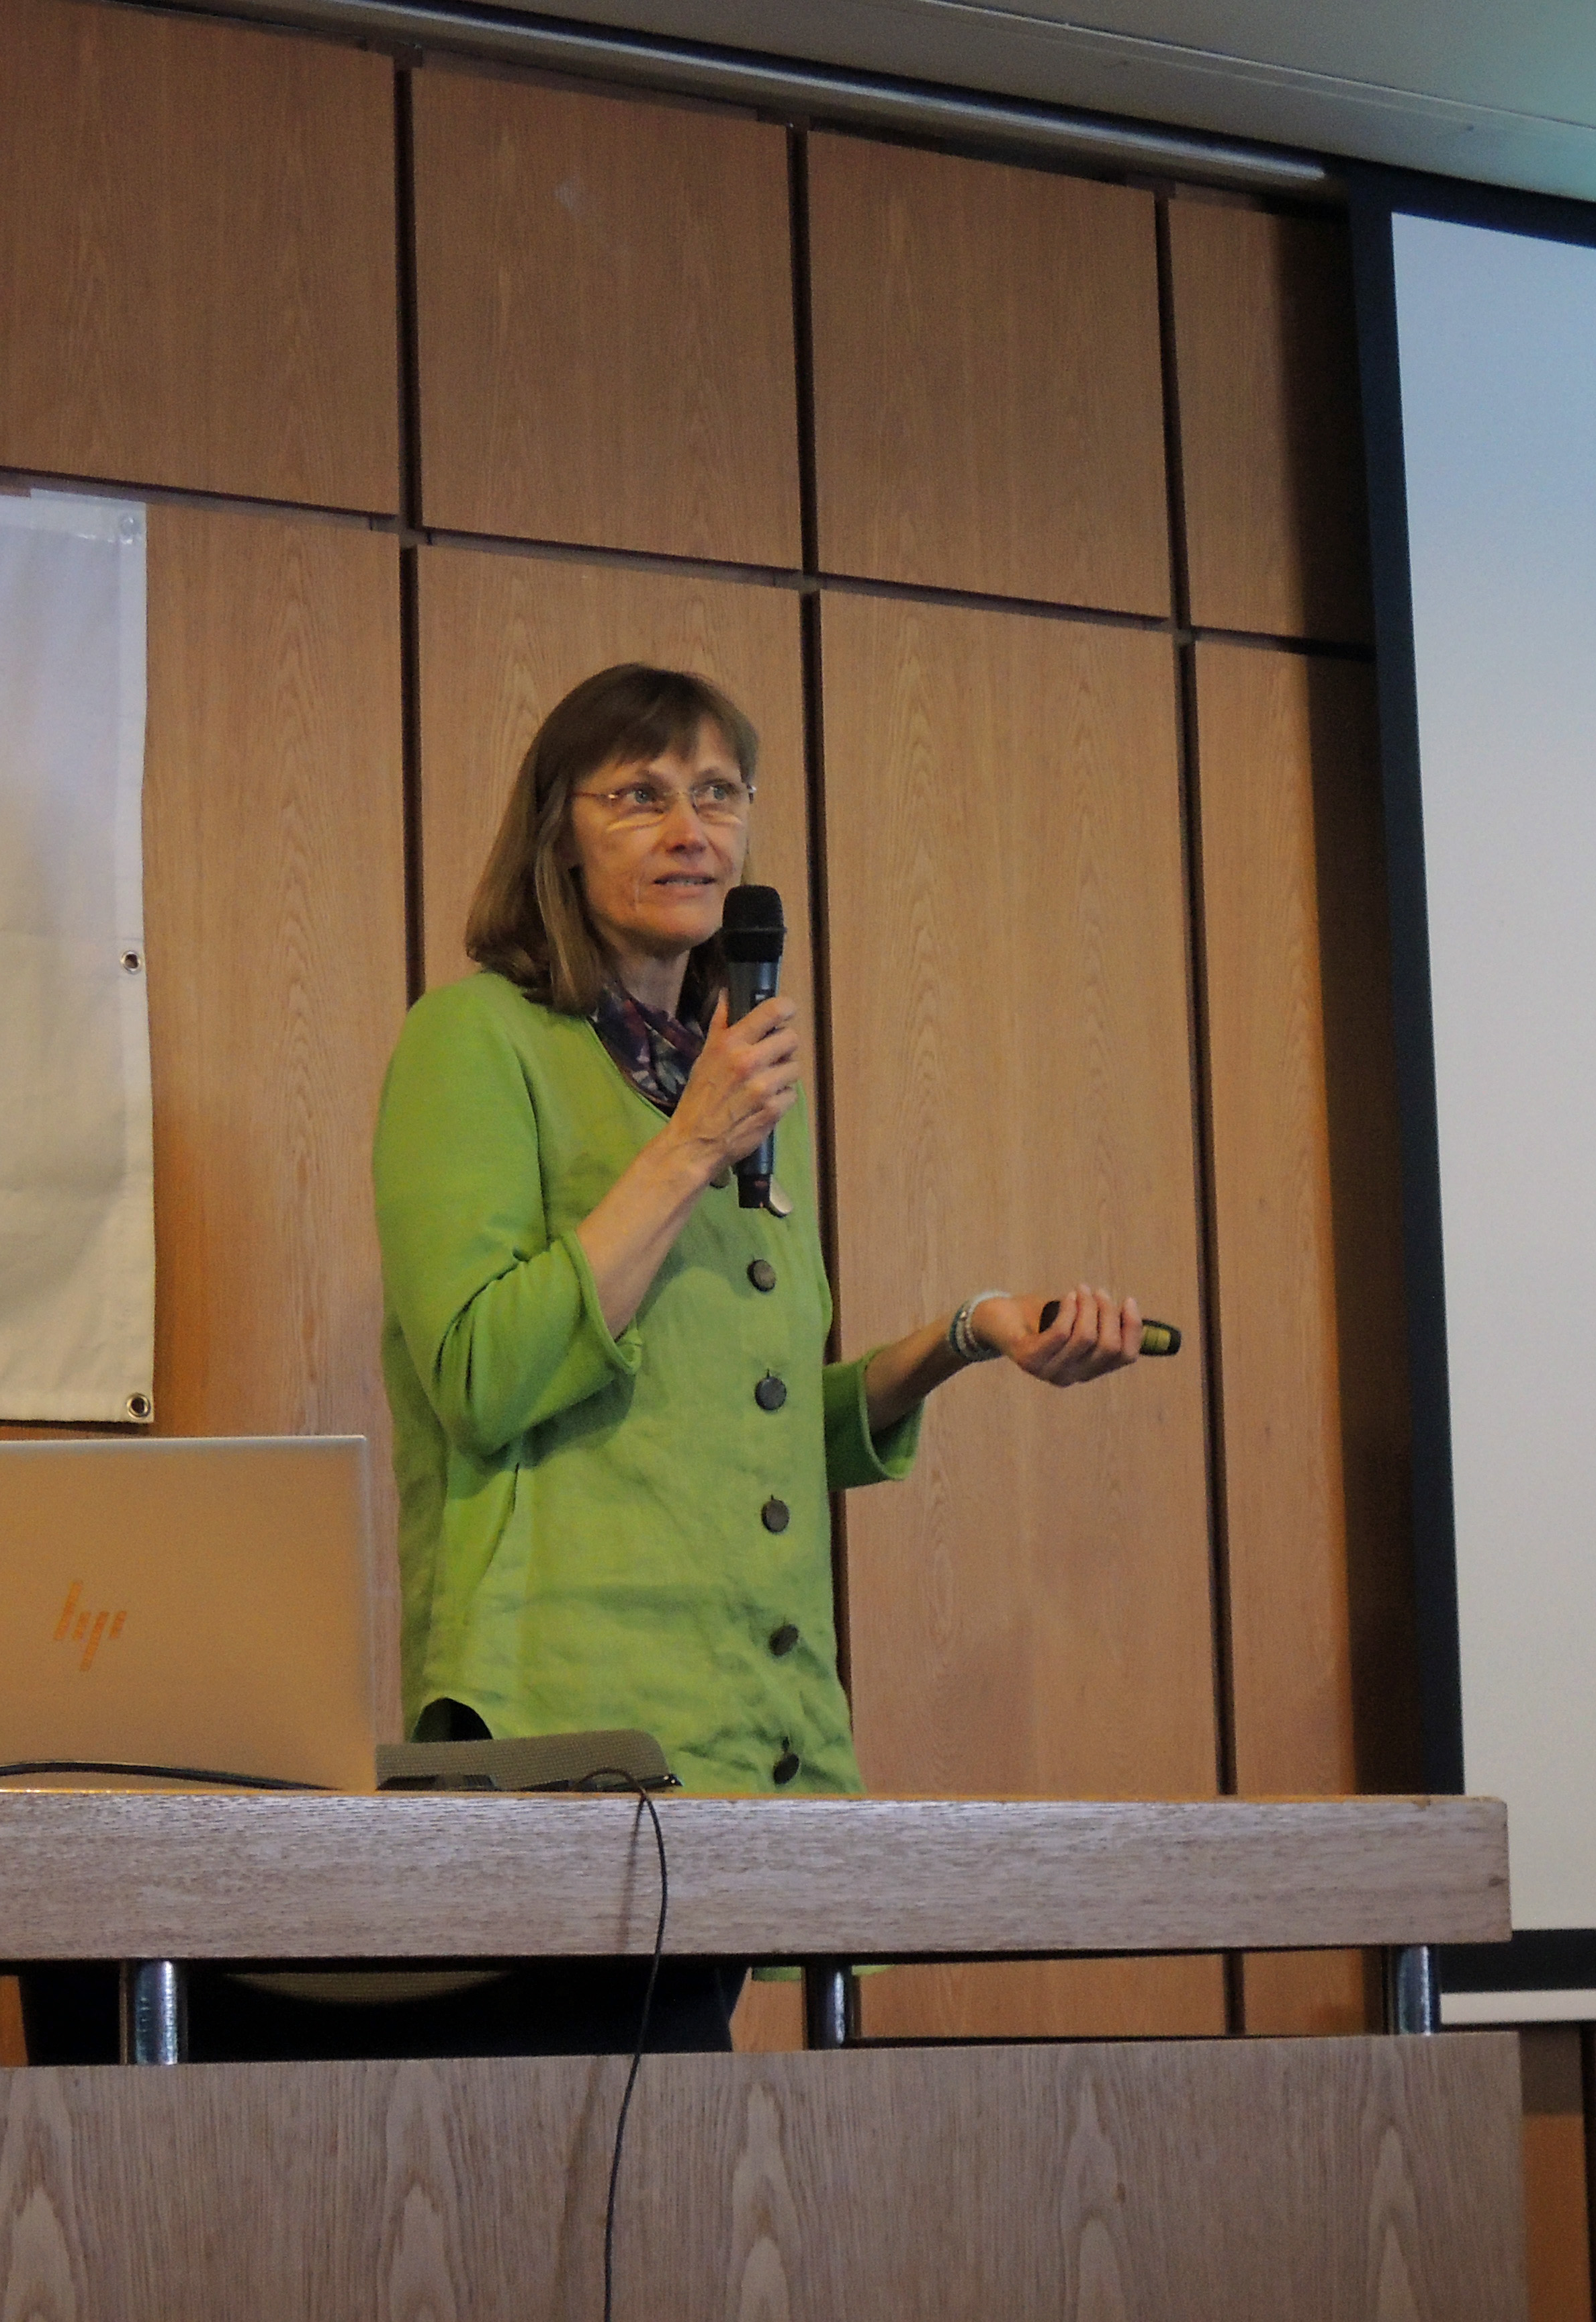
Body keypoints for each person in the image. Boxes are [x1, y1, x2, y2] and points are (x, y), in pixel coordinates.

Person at [363, 661, 1151, 2053]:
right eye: (640, 796)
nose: (691, 830)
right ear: (558, 836)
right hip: (564, 1737)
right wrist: (691, 1149)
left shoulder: (713, 1076)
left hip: (737, 1718)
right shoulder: (479, 1041)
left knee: (690, 2157)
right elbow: (480, 1376)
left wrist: (967, 1337)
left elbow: (745, 1420)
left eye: (718, 793)